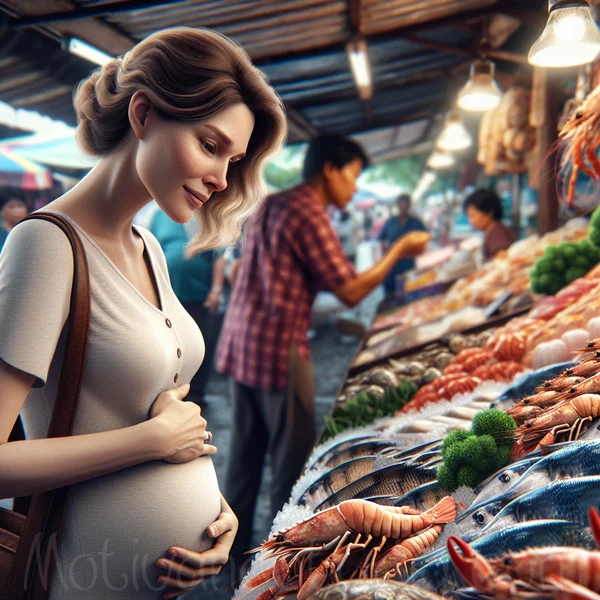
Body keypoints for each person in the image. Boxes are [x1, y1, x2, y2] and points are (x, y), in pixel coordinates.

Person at [0, 27, 286, 599]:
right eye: (211, 146)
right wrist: (150, 444)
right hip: (79, 580)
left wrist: (216, 511)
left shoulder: (148, 246)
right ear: (143, 114)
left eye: (233, 160)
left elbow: (158, 416)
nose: (223, 179)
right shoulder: (47, 246)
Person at [216, 134, 430, 577]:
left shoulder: (272, 205)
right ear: (329, 169)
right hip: (278, 353)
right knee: (292, 472)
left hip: (241, 348)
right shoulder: (308, 213)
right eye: (353, 175)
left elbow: (252, 274)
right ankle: (282, 566)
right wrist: (398, 251)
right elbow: (350, 291)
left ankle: (229, 565)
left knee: (241, 465)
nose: (354, 187)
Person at [150, 209, 226, 407]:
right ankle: (171, 395)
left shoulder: (205, 215)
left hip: (198, 296)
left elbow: (219, 255)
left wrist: (216, 290)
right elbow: (150, 249)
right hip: (167, 296)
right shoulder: (160, 216)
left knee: (199, 346)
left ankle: (196, 395)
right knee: (170, 347)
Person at [378, 193, 427, 296]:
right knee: (390, 292)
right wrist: (384, 255)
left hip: (410, 262)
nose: (404, 206)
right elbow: (382, 238)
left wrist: (419, 253)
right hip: (392, 262)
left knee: (409, 290)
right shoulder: (390, 222)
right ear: (398, 205)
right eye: (402, 203)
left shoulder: (416, 222)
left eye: (406, 204)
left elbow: (425, 238)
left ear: (409, 205)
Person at [463, 188, 516, 260]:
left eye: (473, 216)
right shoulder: (494, 229)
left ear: (489, 213)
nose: (471, 221)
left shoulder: (496, 233)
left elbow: (503, 258)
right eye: (469, 216)